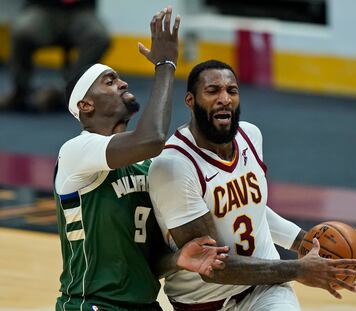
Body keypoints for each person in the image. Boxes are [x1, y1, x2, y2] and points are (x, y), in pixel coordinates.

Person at [148, 59, 356, 311]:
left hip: (266, 288)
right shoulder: (174, 167)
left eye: (232, 90)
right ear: (190, 100)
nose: (224, 98)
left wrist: (311, 246)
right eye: (212, 91)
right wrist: (299, 269)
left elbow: (253, 211)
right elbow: (213, 267)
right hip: (203, 303)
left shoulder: (250, 136)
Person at [54, 7, 228, 311]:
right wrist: (165, 64)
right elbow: (152, 139)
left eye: (119, 79)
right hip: (92, 304)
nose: (122, 83)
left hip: (146, 304)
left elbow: (145, 259)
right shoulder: (75, 153)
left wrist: (178, 258)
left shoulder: (149, 167)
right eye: (109, 81)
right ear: (85, 105)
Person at [0, 0, 110, 112]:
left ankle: (69, 90)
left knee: (98, 36)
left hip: (80, 10)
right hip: (43, 8)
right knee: (21, 32)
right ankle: (20, 91)